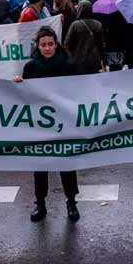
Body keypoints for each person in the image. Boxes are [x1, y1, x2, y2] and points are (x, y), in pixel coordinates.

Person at [13, 27, 80, 222]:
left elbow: (78, 92)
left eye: (51, 44)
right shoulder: (31, 67)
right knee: (40, 164)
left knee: (66, 163)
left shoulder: (68, 65)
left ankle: (71, 203)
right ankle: (40, 204)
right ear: (38, 46)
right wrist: (19, 83)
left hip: (63, 122)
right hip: (39, 125)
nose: (47, 48)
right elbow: (24, 96)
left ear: (56, 44)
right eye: (44, 45)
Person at [64, 2, 105, 74]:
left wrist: (71, 58)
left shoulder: (75, 25)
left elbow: (66, 44)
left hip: (78, 60)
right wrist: (103, 59)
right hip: (94, 61)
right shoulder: (98, 24)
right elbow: (101, 44)